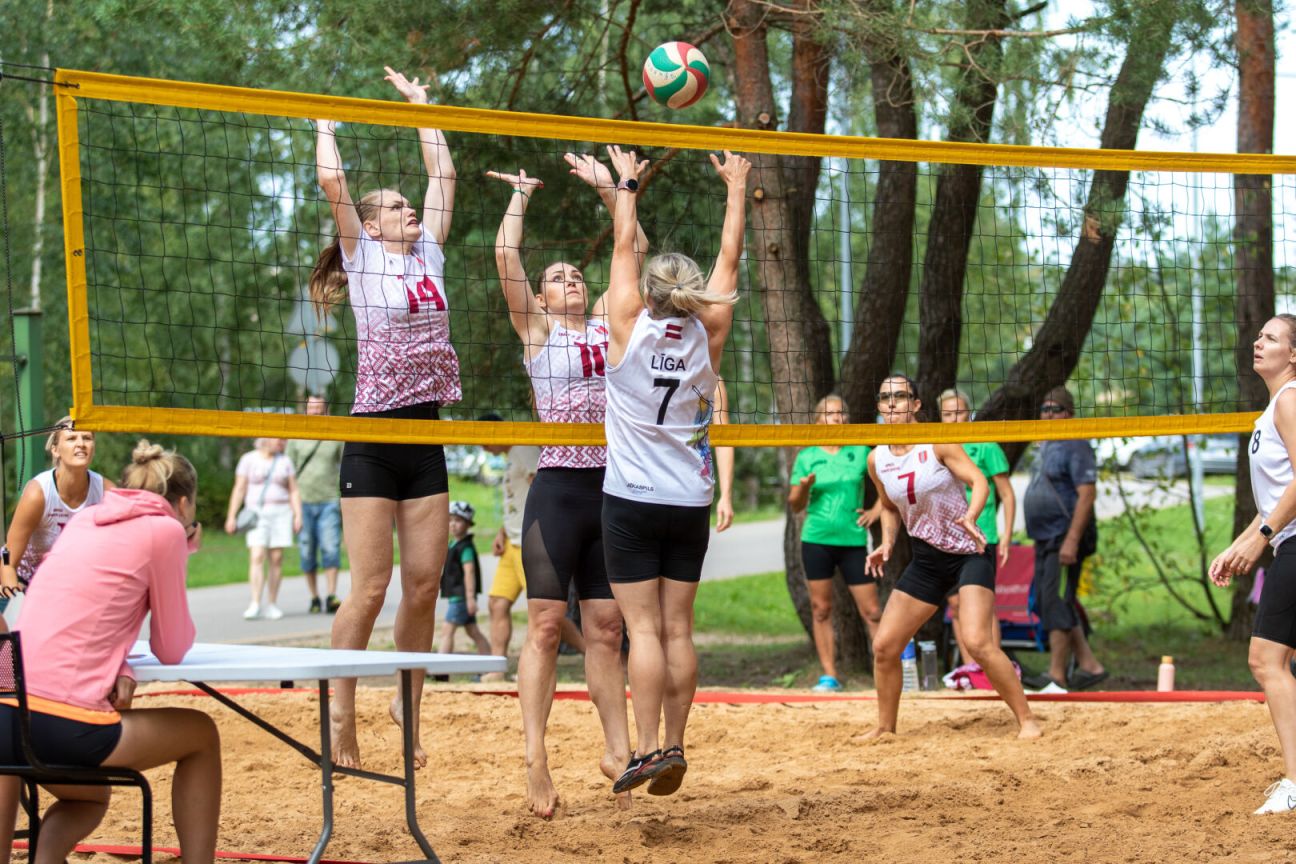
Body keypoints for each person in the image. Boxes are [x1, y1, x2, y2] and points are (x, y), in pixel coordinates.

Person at [485, 152, 645, 818]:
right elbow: (505, 257)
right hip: (557, 489)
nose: (570, 280)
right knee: (548, 627)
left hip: (612, 487)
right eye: (557, 277)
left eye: (575, 273)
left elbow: (632, 248)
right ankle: (536, 759)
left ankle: (617, 750)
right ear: (543, 298)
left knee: (607, 629)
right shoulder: (536, 331)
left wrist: (613, 189)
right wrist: (521, 195)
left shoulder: (610, 320)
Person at [312, 66, 460, 769]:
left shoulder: (429, 251)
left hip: (425, 432)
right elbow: (332, 183)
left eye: (408, 205)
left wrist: (422, 107)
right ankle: (340, 712)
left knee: (424, 583)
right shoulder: (363, 256)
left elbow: (443, 176)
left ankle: (407, 704)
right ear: (370, 224)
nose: (409, 210)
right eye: (395, 207)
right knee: (370, 587)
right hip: (373, 433)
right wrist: (324, 127)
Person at [601, 144, 751, 795]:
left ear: (647, 292)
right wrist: (736, 188)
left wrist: (627, 184)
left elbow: (622, 246)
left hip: (630, 497)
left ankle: (644, 751)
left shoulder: (625, 323)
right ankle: (676, 746)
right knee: (677, 628)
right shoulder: (708, 332)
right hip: (689, 498)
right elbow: (730, 259)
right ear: (692, 293)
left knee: (643, 629)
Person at [0, 440, 220, 864]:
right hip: (64, 725)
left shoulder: (85, 521)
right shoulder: (165, 531)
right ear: (183, 504)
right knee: (202, 734)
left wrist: (122, 665)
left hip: (8, 712)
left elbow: (76, 614)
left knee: (90, 798)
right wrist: (185, 543)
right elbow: (171, 647)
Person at [863, 374, 1040, 740]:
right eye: (885, 397)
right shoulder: (876, 458)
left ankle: (1027, 720)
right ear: (879, 406)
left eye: (900, 396)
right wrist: (887, 543)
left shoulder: (938, 441)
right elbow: (889, 506)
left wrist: (971, 515)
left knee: (977, 642)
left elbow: (980, 482)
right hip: (927, 559)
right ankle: (884, 729)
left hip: (968, 552)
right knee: (884, 646)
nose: (892, 403)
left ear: (916, 405)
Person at [1211, 314, 1296, 814]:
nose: (1258, 342)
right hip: (1287, 541)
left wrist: (1261, 539)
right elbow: (1274, 500)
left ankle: (1295, 783)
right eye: (1259, 335)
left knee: (1267, 661)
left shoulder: (1289, 400)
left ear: (1294, 354)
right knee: (1274, 662)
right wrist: (1239, 544)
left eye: (1271, 337)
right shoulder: (1275, 405)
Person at [477, 421, 584, 682]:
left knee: (547, 612)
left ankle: (590, 651)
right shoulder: (511, 456)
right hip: (512, 542)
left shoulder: (524, 449)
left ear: (495, 432)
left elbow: (540, 491)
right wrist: (502, 531)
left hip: (530, 541)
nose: (482, 447)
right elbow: (517, 500)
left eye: (483, 439)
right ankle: (497, 668)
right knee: (497, 603)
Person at [787, 394, 880, 692]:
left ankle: (884, 672)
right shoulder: (807, 456)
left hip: (853, 541)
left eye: (841, 413)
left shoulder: (860, 450)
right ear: (818, 420)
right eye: (830, 413)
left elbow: (888, 482)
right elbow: (795, 504)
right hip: (817, 540)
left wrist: (876, 510)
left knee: (872, 612)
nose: (837, 418)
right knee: (821, 609)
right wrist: (804, 488)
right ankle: (830, 675)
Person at [1022, 385, 1107, 691]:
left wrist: (1072, 540)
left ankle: (1056, 674)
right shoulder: (1045, 444)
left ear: (1068, 413)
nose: (1048, 414)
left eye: (1054, 409)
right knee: (1049, 601)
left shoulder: (1075, 444)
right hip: (1045, 537)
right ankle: (1089, 664)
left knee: (1056, 600)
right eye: (1044, 409)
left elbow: (1087, 494)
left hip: (1064, 536)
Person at [1, 417, 113, 624]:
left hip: (69, 584)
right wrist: (13, 590)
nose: (81, 443)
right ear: (55, 450)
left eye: (87, 438)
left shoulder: (107, 492)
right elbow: (8, 560)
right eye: (71, 438)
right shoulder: (38, 493)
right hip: (24, 577)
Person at [939, 388, 1016, 661]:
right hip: (947, 537)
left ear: (969, 413)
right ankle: (970, 668)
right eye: (947, 414)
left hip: (981, 536)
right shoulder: (936, 446)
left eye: (959, 412)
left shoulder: (985, 444)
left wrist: (1006, 536)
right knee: (955, 604)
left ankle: (992, 668)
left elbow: (1007, 493)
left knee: (982, 605)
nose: (954, 418)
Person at [223, 437, 303, 620]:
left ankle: (272, 604)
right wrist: (231, 515)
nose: (283, 442)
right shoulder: (248, 459)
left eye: (284, 440)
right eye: (279, 439)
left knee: (276, 558)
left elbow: (293, 490)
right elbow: (239, 488)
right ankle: (255, 603)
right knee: (257, 556)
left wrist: (298, 514)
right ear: (266, 438)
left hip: (281, 512)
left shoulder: (285, 461)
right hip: (256, 513)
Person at [287, 395, 346, 613]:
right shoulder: (296, 436)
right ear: (306, 410)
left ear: (325, 411)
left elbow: (345, 465)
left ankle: (331, 595)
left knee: (330, 547)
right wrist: (292, 507)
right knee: (307, 551)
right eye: (311, 408)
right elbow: (288, 472)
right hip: (303, 502)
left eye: (318, 409)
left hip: (329, 500)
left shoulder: (335, 435)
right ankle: (314, 597)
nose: (314, 412)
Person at [438, 501, 492, 657]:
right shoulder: (453, 544)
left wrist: (470, 599)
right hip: (458, 597)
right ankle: (488, 662)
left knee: (447, 631)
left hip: (461, 598)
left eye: (458, 520)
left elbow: (469, 572)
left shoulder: (465, 548)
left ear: (468, 524)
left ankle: (441, 667)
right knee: (473, 631)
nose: (453, 524)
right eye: (450, 520)